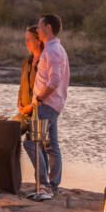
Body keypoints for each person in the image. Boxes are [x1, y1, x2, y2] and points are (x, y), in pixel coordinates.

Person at [24, 13, 69, 200]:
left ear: (48, 28)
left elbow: (54, 80)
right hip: (53, 104)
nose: (38, 30)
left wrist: (40, 98)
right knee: (51, 145)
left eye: (40, 27)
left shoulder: (52, 51)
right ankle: (52, 185)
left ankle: (44, 185)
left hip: (47, 104)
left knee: (31, 142)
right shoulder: (56, 49)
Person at [16, 25, 43, 127]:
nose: (26, 43)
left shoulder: (44, 61)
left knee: (37, 140)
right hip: (24, 112)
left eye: (29, 40)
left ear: (39, 40)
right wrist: (19, 103)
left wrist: (31, 107)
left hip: (38, 112)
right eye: (25, 40)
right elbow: (22, 85)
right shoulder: (27, 61)